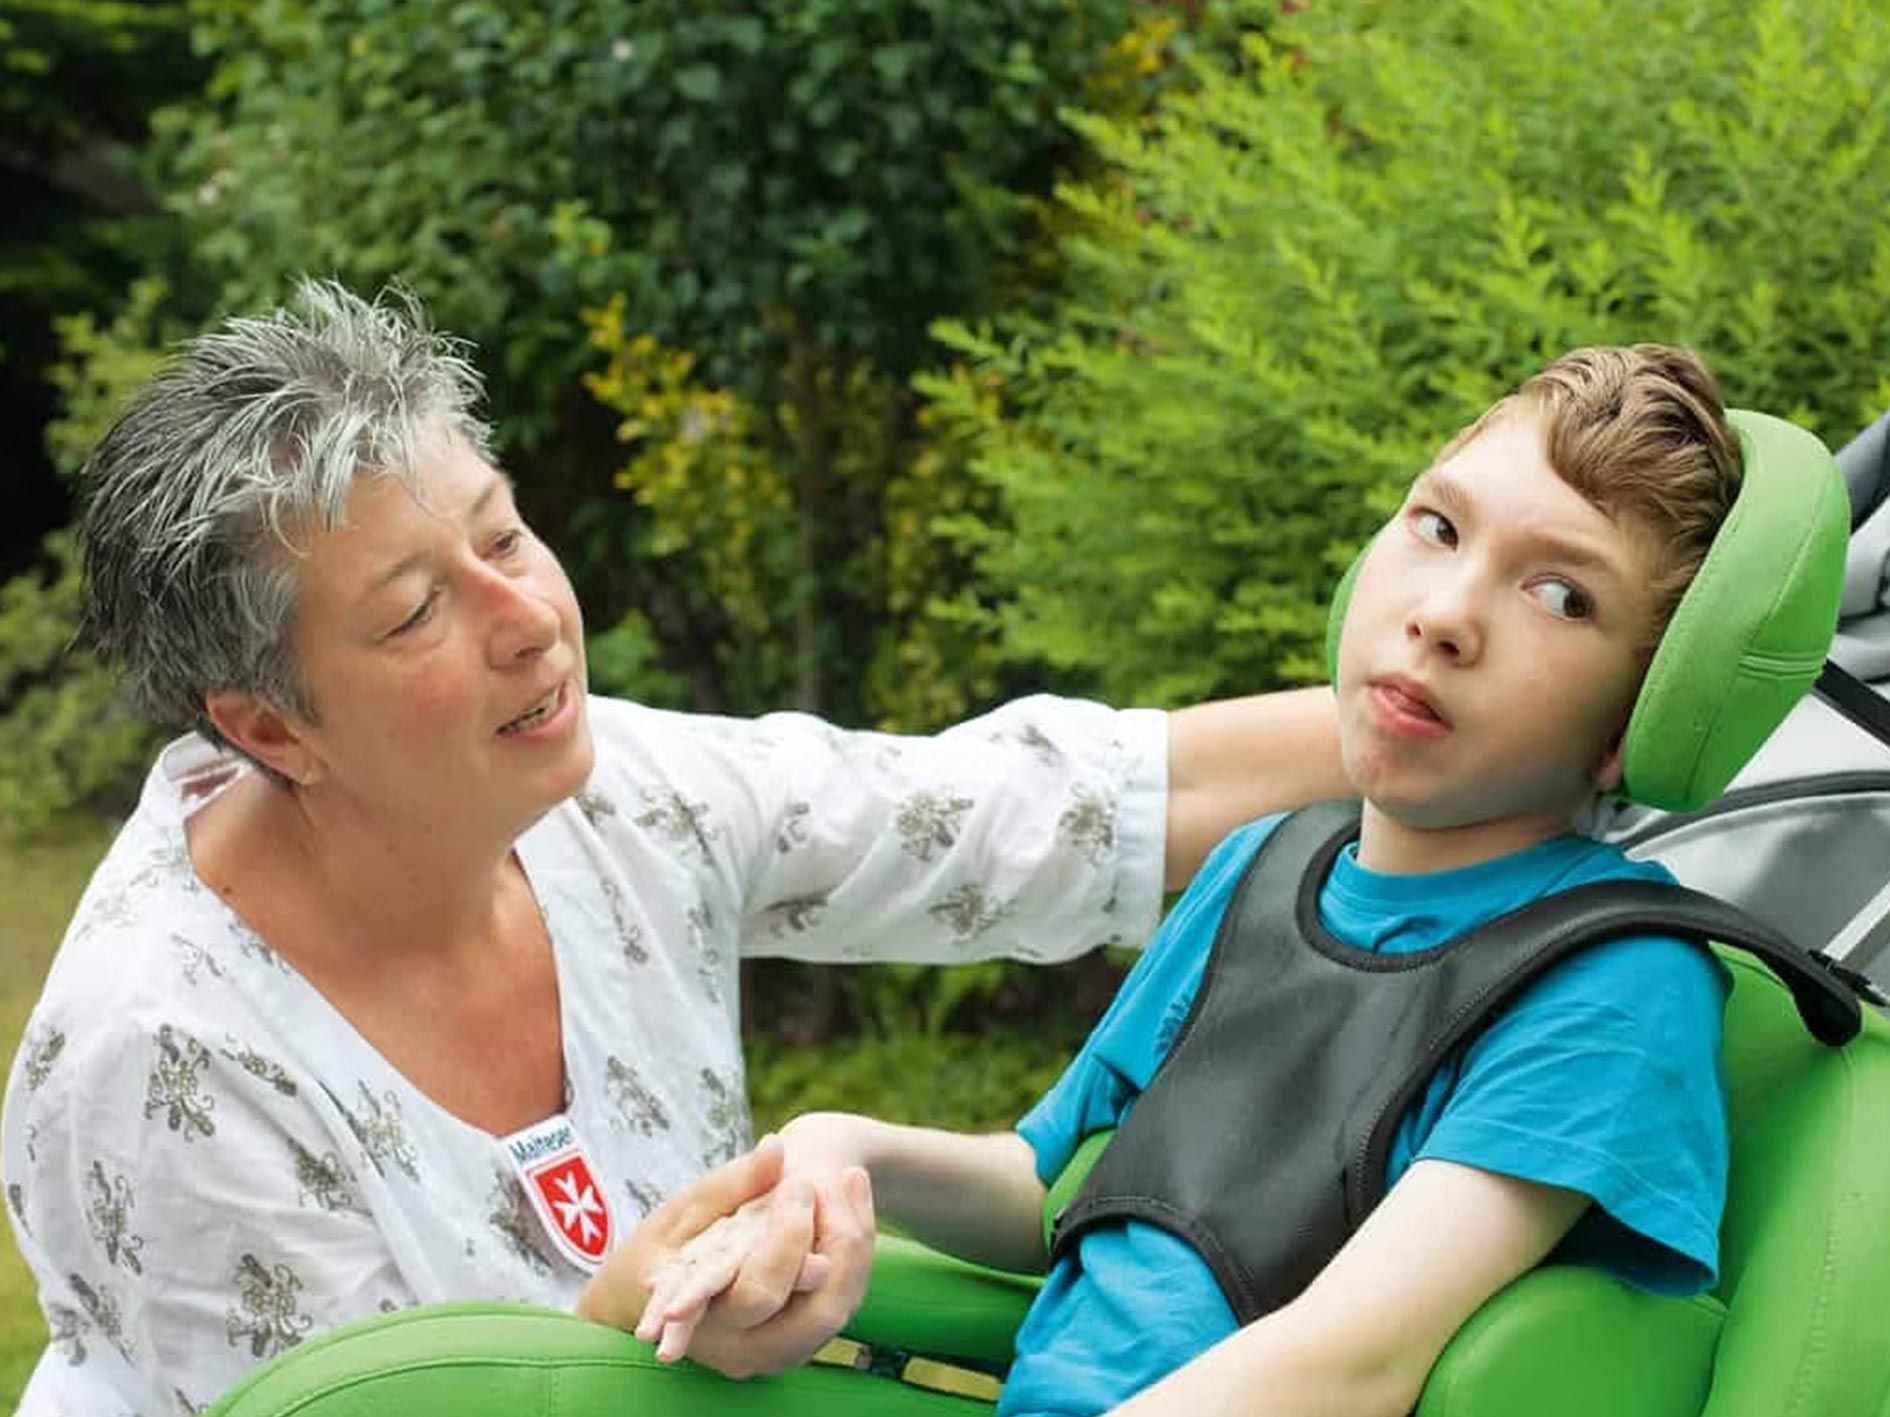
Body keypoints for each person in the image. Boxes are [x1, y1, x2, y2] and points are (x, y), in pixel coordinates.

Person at [0, 280, 1348, 1416]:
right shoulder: (160, 1061)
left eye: (505, 533)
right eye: (417, 612)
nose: (526, 616)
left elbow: (1022, 813)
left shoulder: (611, 798)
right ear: (270, 728)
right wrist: (628, 1321)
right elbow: (371, 1406)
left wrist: (1470, 720)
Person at [589, 345, 1778, 1417]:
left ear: (1639, 720)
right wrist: (845, 1145)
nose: (1446, 616)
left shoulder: (1611, 984)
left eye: (1561, 595)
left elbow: (1353, 1362)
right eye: (1438, 528)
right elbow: (1050, 1185)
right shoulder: (1265, 868)